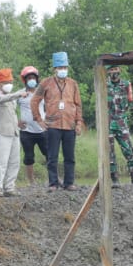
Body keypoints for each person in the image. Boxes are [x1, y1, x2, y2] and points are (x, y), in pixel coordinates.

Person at [29, 51, 84, 191]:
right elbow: (34, 100)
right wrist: (39, 119)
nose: (63, 70)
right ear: (55, 69)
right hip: (52, 125)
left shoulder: (73, 84)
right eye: (60, 68)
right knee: (52, 156)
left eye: (65, 67)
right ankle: (53, 183)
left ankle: (69, 182)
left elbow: (78, 104)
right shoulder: (46, 83)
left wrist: (78, 123)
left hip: (70, 124)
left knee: (69, 156)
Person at [106, 65, 133, 188]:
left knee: (129, 149)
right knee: (110, 153)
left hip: (121, 122)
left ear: (120, 70)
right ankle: (115, 181)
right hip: (107, 123)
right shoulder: (104, 85)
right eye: (111, 70)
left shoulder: (126, 84)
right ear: (108, 72)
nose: (114, 72)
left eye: (115, 69)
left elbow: (129, 101)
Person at [0, 68, 24, 196]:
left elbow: (11, 113)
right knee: (1, 162)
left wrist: (18, 124)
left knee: (15, 162)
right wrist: (19, 94)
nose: (10, 84)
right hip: (2, 133)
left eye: (10, 81)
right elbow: (4, 98)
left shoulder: (12, 98)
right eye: (6, 82)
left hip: (14, 132)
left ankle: (9, 187)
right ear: (0, 84)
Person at [17, 65, 45, 187]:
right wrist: (16, 121)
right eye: (29, 78)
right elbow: (8, 106)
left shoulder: (43, 92)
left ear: (37, 79)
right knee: (29, 156)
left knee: (50, 154)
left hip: (42, 130)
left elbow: (50, 106)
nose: (31, 80)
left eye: (33, 77)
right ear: (25, 80)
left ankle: (55, 179)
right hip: (26, 131)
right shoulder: (20, 94)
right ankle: (31, 181)